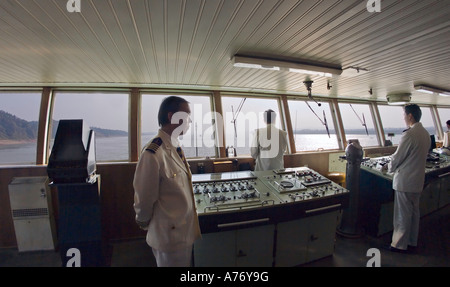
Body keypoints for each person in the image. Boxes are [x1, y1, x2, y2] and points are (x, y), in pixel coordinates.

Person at [133, 96, 201, 267]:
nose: (189, 120)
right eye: (186, 115)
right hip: (169, 236)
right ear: (172, 116)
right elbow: (144, 199)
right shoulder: (153, 153)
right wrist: (144, 222)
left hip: (183, 231)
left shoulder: (174, 145)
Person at [383, 104, 430, 253]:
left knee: (402, 215)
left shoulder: (409, 135)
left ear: (410, 116)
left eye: (404, 115)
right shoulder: (425, 134)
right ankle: (411, 241)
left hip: (405, 181)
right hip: (417, 181)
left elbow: (397, 158)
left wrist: (387, 167)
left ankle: (398, 245)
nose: (404, 118)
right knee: (414, 213)